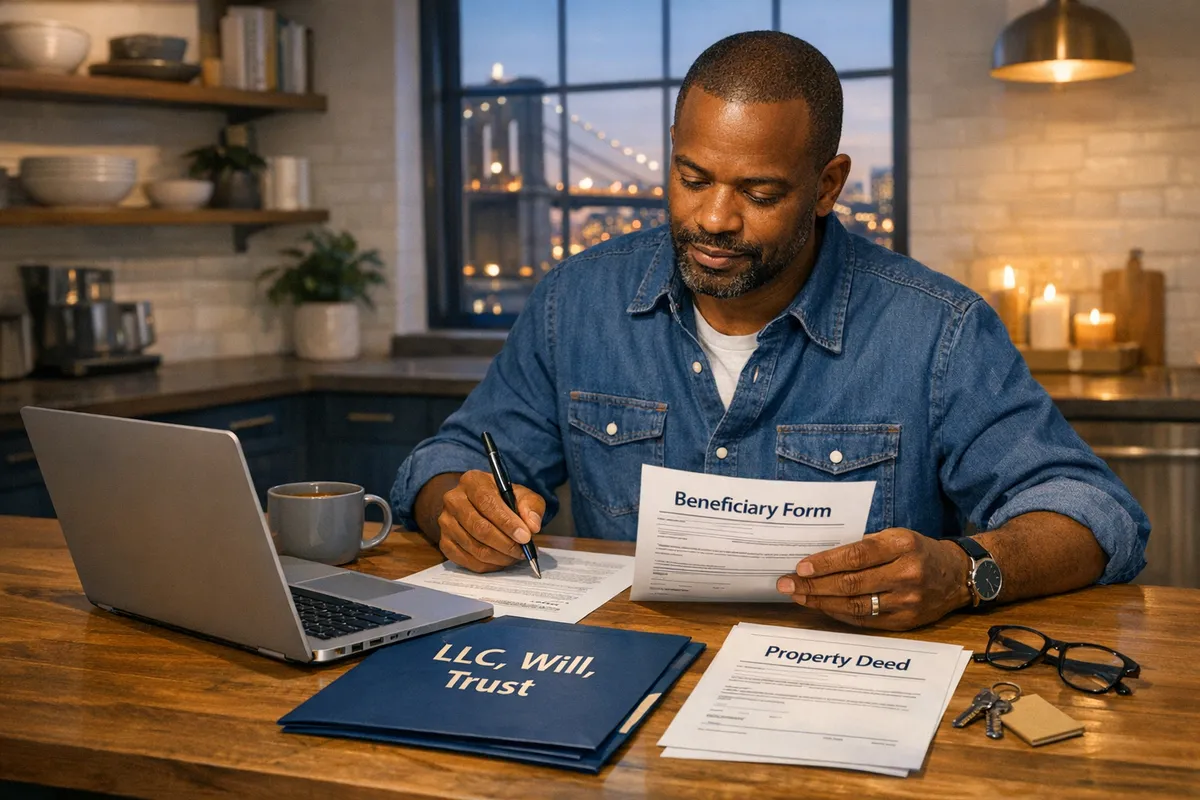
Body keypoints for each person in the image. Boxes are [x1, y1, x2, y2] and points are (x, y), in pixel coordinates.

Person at [392, 31, 1150, 631]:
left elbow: (1092, 512)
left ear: (827, 185)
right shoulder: (574, 302)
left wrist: (967, 569)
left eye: (758, 192)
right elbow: (450, 459)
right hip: (624, 679)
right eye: (691, 178)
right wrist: (456, 505)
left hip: (851, 700)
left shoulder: (938, 330)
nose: (715, 219)